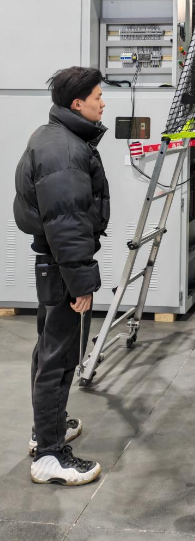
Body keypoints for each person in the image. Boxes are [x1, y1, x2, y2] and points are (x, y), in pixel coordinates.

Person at [14, 67, 108, 486]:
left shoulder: (52, 136)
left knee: (50, 348)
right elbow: (67, 224)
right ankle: (49, 455)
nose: (102, 102)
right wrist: (82, 283)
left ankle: (47, 427)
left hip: (53, 264)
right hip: (61, 265)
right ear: (77, 104)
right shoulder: (65, 151)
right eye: (97, 96)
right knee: (59, 356)